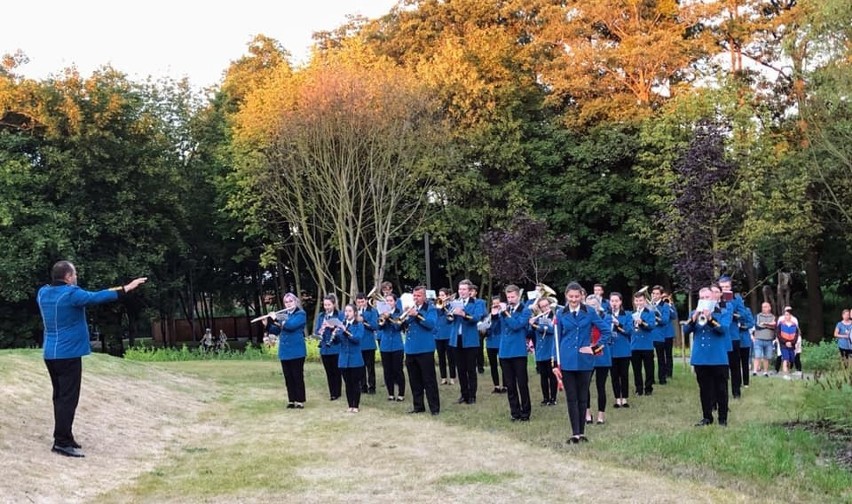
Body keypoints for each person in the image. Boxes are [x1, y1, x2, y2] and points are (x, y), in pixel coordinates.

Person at [37, 260, 147, 457]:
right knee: (68, 399)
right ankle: (61, 442)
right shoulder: (71, 294)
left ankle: (65, 436)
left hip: (50, 354)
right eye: (75, 274)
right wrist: (126, 288)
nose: (76, 276)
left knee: (60, 397)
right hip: (68, 355)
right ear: (68, 277)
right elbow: (98, 297)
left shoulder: (43, 292)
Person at [555, 282, 611, 444]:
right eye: (571, 297)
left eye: (577, 296)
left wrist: (594, 348)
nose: (574, 300)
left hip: (585, 361)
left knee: (582, 397)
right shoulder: (560, 313)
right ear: (566, 296)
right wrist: (555, 363)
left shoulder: (590, 312)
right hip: (566, 360)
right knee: (571, 397)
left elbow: (606, 331)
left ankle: (582, 432)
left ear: (582, 296)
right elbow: (557, 340)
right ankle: (575, 433)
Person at [683, 287, 732, 427]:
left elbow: (723, 329)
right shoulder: (694, 313)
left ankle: (722, 418)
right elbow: (685, 330)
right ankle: (707, 417)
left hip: (718, 357)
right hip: (701, 358)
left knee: (721, 389)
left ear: (714, 298)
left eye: (707, 297)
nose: (704, 300)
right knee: (704, 389)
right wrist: (693, 318)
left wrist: (710, 318)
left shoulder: (722, 312)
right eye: (702, 298)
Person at [264, 292, 308, 409]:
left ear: (295, 302)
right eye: (286, 302)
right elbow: (276, 330)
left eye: (290, 301)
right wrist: (267, 324)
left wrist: (277, 319)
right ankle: (291, 400)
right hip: (285, 350)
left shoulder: (300, 314)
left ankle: (299, 400)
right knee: (288, 376)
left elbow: (290, 326)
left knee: (297, 375)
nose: (288, 304)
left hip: (296, 349)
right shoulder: (283, 314)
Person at [402, 286, 440, 415]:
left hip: (425, 348)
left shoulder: (430, 308)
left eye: (418, 296)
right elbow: (402, 325)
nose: (415, 298)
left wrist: (417, 315)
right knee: (414, 380)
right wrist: (404, 317)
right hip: (411, 349)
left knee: (429, 380)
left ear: (424, 296)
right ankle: (418, 406)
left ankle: (434, 408)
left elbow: (431, 324)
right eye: (414, 296)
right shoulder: (411, 309)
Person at [499, 285, 532, 422]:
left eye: (513, 297)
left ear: (518, 296)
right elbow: (497, 328)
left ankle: (525, 412)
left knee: (522, 383)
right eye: (508, 297)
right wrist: (495, 316)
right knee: (510, 385)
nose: (510, 299)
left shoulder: (525, 310)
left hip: (518, 351)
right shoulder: (504, 311)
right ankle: (515, 412)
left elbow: (516, 325)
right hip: (504, 351)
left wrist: (505, 313)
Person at [451, 279, 485, 405]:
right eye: (460, 289)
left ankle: (472, 395)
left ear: (470, 291)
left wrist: (464, 314)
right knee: (460, 369)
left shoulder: (477, 303)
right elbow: (449, 319)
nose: (461, 292)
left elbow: (477, 318)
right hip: (456, 338)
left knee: (471, 369)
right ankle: (463, 394)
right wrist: (448, 312)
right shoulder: (455, 302)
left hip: (470, 339)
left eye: (464, 289)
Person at [585, 295, 612, 425]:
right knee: (585, 386)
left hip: (602, 355)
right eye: (589, 305)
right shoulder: (584, 318)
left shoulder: (606, 317)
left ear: (599, 305)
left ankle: (601, 415)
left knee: (600, 386)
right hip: (587, 356)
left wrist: (596, 347)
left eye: (594, 305)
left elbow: (607, 334)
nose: (592, 308)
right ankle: (587, 413)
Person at [334, 304, 364, 413]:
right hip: (343, 359)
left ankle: (355, 405)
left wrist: (345, 332)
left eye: (350, 311)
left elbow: (357, 339)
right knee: (347, 383)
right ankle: (350, 405)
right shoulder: (342, 324)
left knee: (355, 383)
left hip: (355, 359)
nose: (347, 313)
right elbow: (338, 341)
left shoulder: (359, 325)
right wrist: (334, 336)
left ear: (355, 313)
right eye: (346, 311)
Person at [315, 295, 343, 400]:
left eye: (329, 305)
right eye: (325, 305)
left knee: (336, 371)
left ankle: (337, 392)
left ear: (334, 304)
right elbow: (317, 330)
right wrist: (320, 330)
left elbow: (342, 328)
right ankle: (332, 392)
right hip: (325, 348)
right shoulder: (321, 316)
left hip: (335, 347)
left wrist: (332, 328)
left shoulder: (339, 314)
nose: (326, 307)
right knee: (329, 371)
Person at [378, 293, 405, 401]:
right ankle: (390, 393)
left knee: (398, 370)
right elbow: (378, 327)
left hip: (397, 345)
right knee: (387, 370)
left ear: (395, 302)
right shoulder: (381, 313)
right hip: (385, 345)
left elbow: (398, 327)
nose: (389, 303)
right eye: (387, 301)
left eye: (391, 301)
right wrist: (382, 319)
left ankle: (401, 393)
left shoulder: (399, 313)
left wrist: (389, 317)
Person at [531, 297, 557, 406]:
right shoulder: (537, 318)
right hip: (540, 351)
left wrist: (536, 326)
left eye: (547, 305)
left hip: (550, 350)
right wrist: (531, 324)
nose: (545, 308)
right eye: (543, 306)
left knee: (552, 376)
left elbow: (551, 330)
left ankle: (553, 398)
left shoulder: (554, 317)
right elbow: (531, 334)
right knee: (543, 376)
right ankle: (545, 397)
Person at [608, 293, 633, 409]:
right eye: (612, 301)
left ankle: (625, 399)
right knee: (614, 375)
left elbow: (629, 331)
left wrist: (618, 323)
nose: (614, 303)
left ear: (620, 302)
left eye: (616, 301)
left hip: (623, 349)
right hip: (611, 350)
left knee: (624, 375)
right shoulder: (606, 315)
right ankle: (617, 398)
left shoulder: (627, 315)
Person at [630, 292, 656, 396]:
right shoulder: (631, 313)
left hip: (646, 345)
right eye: (636, 301)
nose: (639, 303)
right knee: (636, 369)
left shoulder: (650, 312)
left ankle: (648, 388)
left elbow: (651, 326)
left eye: (641, 300)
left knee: (649, 368)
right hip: (635, 345)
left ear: (645, 301)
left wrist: (642, 322)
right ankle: (638, 389)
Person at [355, 293, 378, 394]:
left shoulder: (372, 311)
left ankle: (372, 387)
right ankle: (362, 386)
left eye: (362, 302)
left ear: (366, 301)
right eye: (358, 302)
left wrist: (363, 320)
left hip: (368, 343)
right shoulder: (355, 311)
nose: (360, 304)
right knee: (360, 366)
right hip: (358, 343)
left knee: (370, 367)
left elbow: (375, 326)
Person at [434, 288, 457, 385]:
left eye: (443, 295)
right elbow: (437, 314)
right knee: (441, 357)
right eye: (440, 295)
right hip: (438, 335)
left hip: (448, 334)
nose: (441, 297)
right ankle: (443, 377)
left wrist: (446, 306)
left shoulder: (451, 305)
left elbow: (451, 319)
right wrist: (440, 304)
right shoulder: (437, 306)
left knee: (451, 357)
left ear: (447, 296)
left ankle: (452, 377)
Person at [650, 285, 672, 385]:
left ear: (661, 295)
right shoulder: (649, 305)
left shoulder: (665, 305)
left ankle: (662, 379)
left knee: (661, 358)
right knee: (649, 359)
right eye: (653, 293)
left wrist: (656, 316)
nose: (655, 295)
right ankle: (651, 379)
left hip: (659, 334)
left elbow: (665, 320)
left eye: (657, 294)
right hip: (650, 334)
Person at [485, 295, 506, 393]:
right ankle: (496, 386)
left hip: (501, 342)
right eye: (494, 304)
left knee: (504, 365)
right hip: (490, 342)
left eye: (498, 304)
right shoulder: (489, 315)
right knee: (493, 365)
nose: (496, 306)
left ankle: (505, 386)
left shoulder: (504, 315)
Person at [752, 302, 777, 376]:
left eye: (766, 307)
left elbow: (774, 327)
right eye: (763, 307)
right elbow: (757, 326)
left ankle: (765, 372)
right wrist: (769, 325)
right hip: (759, 338)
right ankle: (755, 371)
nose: (764, 308)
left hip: (769, 339)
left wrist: (764, 324)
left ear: (770, 307)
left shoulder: (773, 317)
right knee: (757, 355)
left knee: (767, 357)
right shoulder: (758, 316)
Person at [777, 307, 800, 379]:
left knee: (791, 359)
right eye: (785, 315)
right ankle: (785, 374)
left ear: (790, 316)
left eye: (788, 315)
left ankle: (788, 372)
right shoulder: (781, 324)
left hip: (791, 345)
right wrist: (785, 342)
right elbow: (778, 335)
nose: (786, 316)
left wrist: (792, 343)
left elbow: (796, 336)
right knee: (785, 358)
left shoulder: (794, 325)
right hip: (783, 345)